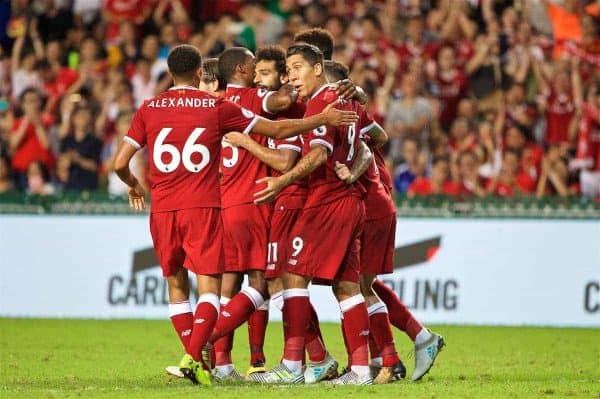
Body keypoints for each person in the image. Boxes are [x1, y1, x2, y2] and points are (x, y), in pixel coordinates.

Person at [113, 44, 357, 387]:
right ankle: (210, 358)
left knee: (180, 285)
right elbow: (277, 127)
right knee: (229, 286)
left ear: (169, 73)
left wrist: (134, 185)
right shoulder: (219, 106)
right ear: (200, 72)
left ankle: (206, 360)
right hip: (215, 205)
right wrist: (322, 118)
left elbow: (119, 163)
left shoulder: (150, 107)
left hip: (166, 208)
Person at [252, 43, 374, 385]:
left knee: (291, 276)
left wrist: (283, 182)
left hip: (326, 202)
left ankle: (293, 365)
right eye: (288, 69)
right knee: (347, 286)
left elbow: (319, 153)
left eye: (297, 67)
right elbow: (368, 142)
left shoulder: (322, 101)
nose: (291, 75)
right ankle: (361, 371)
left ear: (318, 68)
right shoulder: (348, 99)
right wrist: (354, 171)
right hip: (351, 201)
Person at [223, 45, 335, 384]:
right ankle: (312, 358)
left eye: (266, 73)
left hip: (284, 202)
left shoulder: (290, 109)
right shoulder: (257, 111)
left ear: (282, 77)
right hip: (258, 204)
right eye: (256, 73)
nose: (259, 80)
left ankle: (298, 361)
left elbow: (285, 162)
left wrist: (246, 143)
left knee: (278, 282)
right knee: (270, 282)